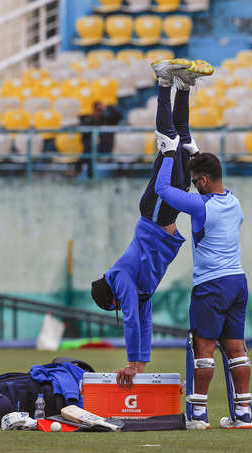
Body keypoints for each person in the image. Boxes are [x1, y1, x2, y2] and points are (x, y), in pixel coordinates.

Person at [90, 59, 214, 389]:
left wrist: (130, 363)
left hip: (156, 214)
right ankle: (184, 86)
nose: (122, 305)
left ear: (112, 299)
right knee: (186, 140)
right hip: (165, 216)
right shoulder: (139, 292)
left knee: (170, 142)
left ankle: (162, 80)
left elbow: (131, 318)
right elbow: (142, 318)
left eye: (116, 305)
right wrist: (141, 363)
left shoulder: (122, 281)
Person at [154, 124, 252, 427]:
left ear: (206, 181)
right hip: (238, 281)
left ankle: (198, 413)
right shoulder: (234, 201)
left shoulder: (201, 205)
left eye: (197, 181)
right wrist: (194, 153)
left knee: (204, 349)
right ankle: (243, 414)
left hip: (211, 285)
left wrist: (169, 155)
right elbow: (211, 178)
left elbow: (162, 190)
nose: (194, 186)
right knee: (237, 349)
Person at [79, 101, 123, 177]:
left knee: (88, 151)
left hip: (105, 146)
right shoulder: (89, 120)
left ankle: (78, 171)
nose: (99, 112)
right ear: (94, 110)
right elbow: (83, 138)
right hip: (92, 147)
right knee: (88, 150)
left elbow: (119, 116)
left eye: (101, 110)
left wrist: (109, 106)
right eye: (98, 110)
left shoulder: (107, 120)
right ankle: (88, 175)